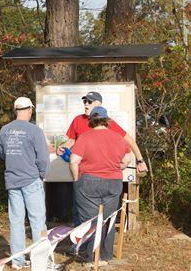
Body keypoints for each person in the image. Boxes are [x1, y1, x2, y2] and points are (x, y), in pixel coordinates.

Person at [57, 91, 147, 226]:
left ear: (98, 104)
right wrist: (62, 147)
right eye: (84, 101)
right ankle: (81, 245)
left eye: (89, 102)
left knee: (102, 218)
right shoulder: (78, 120)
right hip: (83, 175)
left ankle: (98, 244)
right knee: (79, 214)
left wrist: (140, 161)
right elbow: (71, 141)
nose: (86, 104)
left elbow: (129, 141)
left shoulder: (106, 122)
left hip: (104, 178)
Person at [69, 106, 131, 266]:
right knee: (108, 219)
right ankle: (105, 256)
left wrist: (77, 180)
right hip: (113, 182)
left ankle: (91, 258)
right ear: (106, 120)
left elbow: (74, 161)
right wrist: (118, 168)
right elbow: (126, 160)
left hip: (88, 182)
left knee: (90, 220)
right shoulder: (118, 137)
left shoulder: (84, 137)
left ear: (91, 120)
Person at [0, 97, 50, 270]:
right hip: (31, 180)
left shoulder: (4, 130)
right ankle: (40, 261)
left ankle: (17, 261)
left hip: (12, 181)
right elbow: (43, 158)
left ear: (15, 111)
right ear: (30, 110)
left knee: (16, 221)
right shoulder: (34, 130)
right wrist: (42, 175)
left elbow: (2, 154)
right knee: (37, 221)